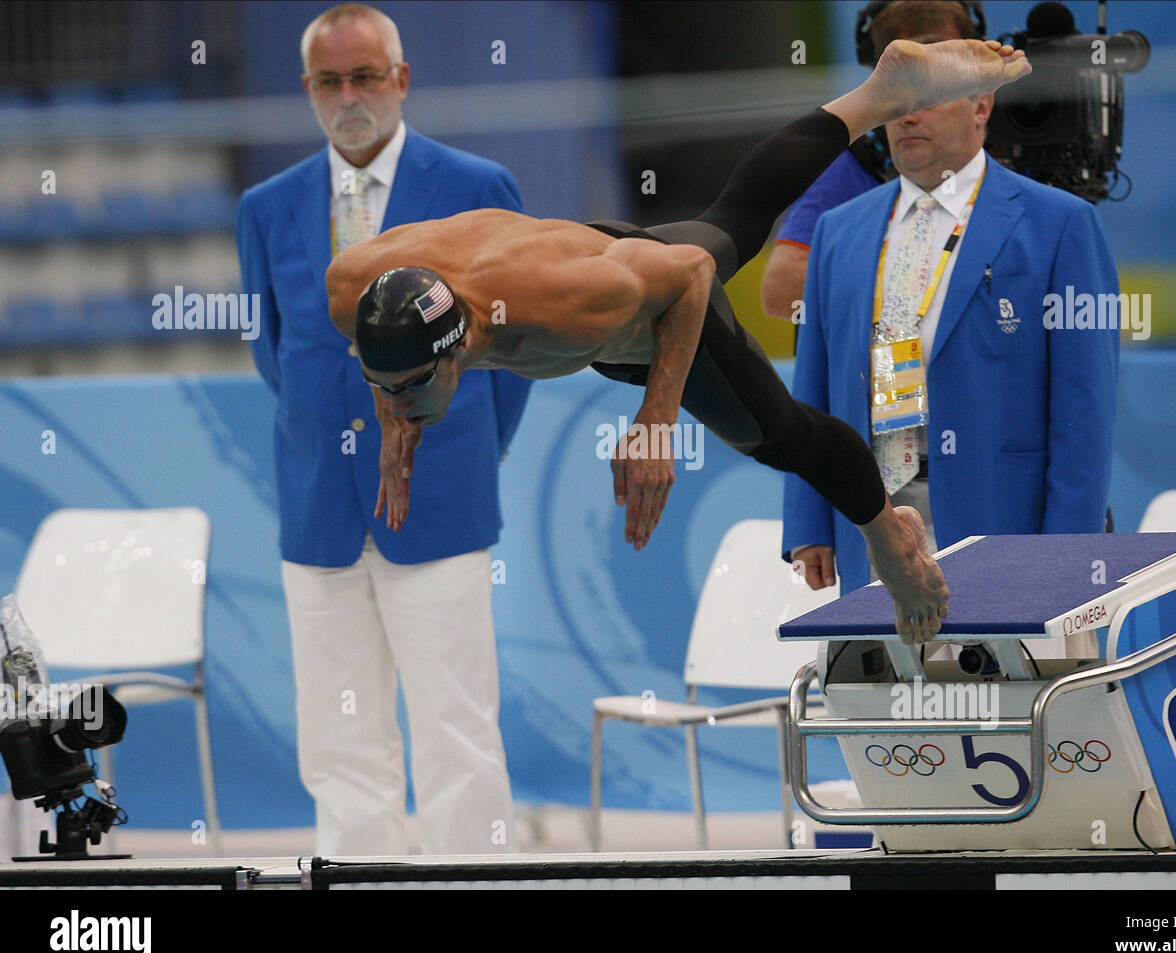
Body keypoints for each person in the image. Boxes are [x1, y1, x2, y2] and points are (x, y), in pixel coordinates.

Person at [325, 38, 1032, 646]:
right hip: (606, 258)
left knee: (783, 435)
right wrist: (395, 413)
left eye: (414, 383)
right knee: (734, 217)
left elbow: (689, 276)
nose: (397, 396)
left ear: (461, 347)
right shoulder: (352, 295)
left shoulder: (563, 307)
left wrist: (656, 424)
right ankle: (883, 92)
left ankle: (890, 535)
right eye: (382, 380)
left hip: (653, 308)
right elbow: (393, 350)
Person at [236, 3, 531, 855]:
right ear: (308, 91)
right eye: (331, 81)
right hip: (319, 507)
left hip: (439, 496)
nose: (350, 95)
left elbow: (511, 354)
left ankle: (469, 882)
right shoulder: (268, 205)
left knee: (456, 726)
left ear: (401, 79)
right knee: (337, 736)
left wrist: (464, 447)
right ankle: (355, 879)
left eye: (366, 76)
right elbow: (274, 349)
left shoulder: (476, 187)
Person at [782, 8, 1120, 612]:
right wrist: (809, 520)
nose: (907, 115)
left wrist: (1068, 550)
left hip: (1003, 518)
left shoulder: (1062, 225)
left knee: (1004, 700)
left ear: (981, 106)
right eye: (896, 100)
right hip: (875, 522)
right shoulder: (839, 231)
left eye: (929, 98)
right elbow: (812, 389)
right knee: (887, 702)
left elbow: (1084, 407)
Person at [761, 2, 983, 323]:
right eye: (909, 78)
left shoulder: (1026, 146)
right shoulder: (853, 160)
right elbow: (782, 292)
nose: (918, 109)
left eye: (943, 74)